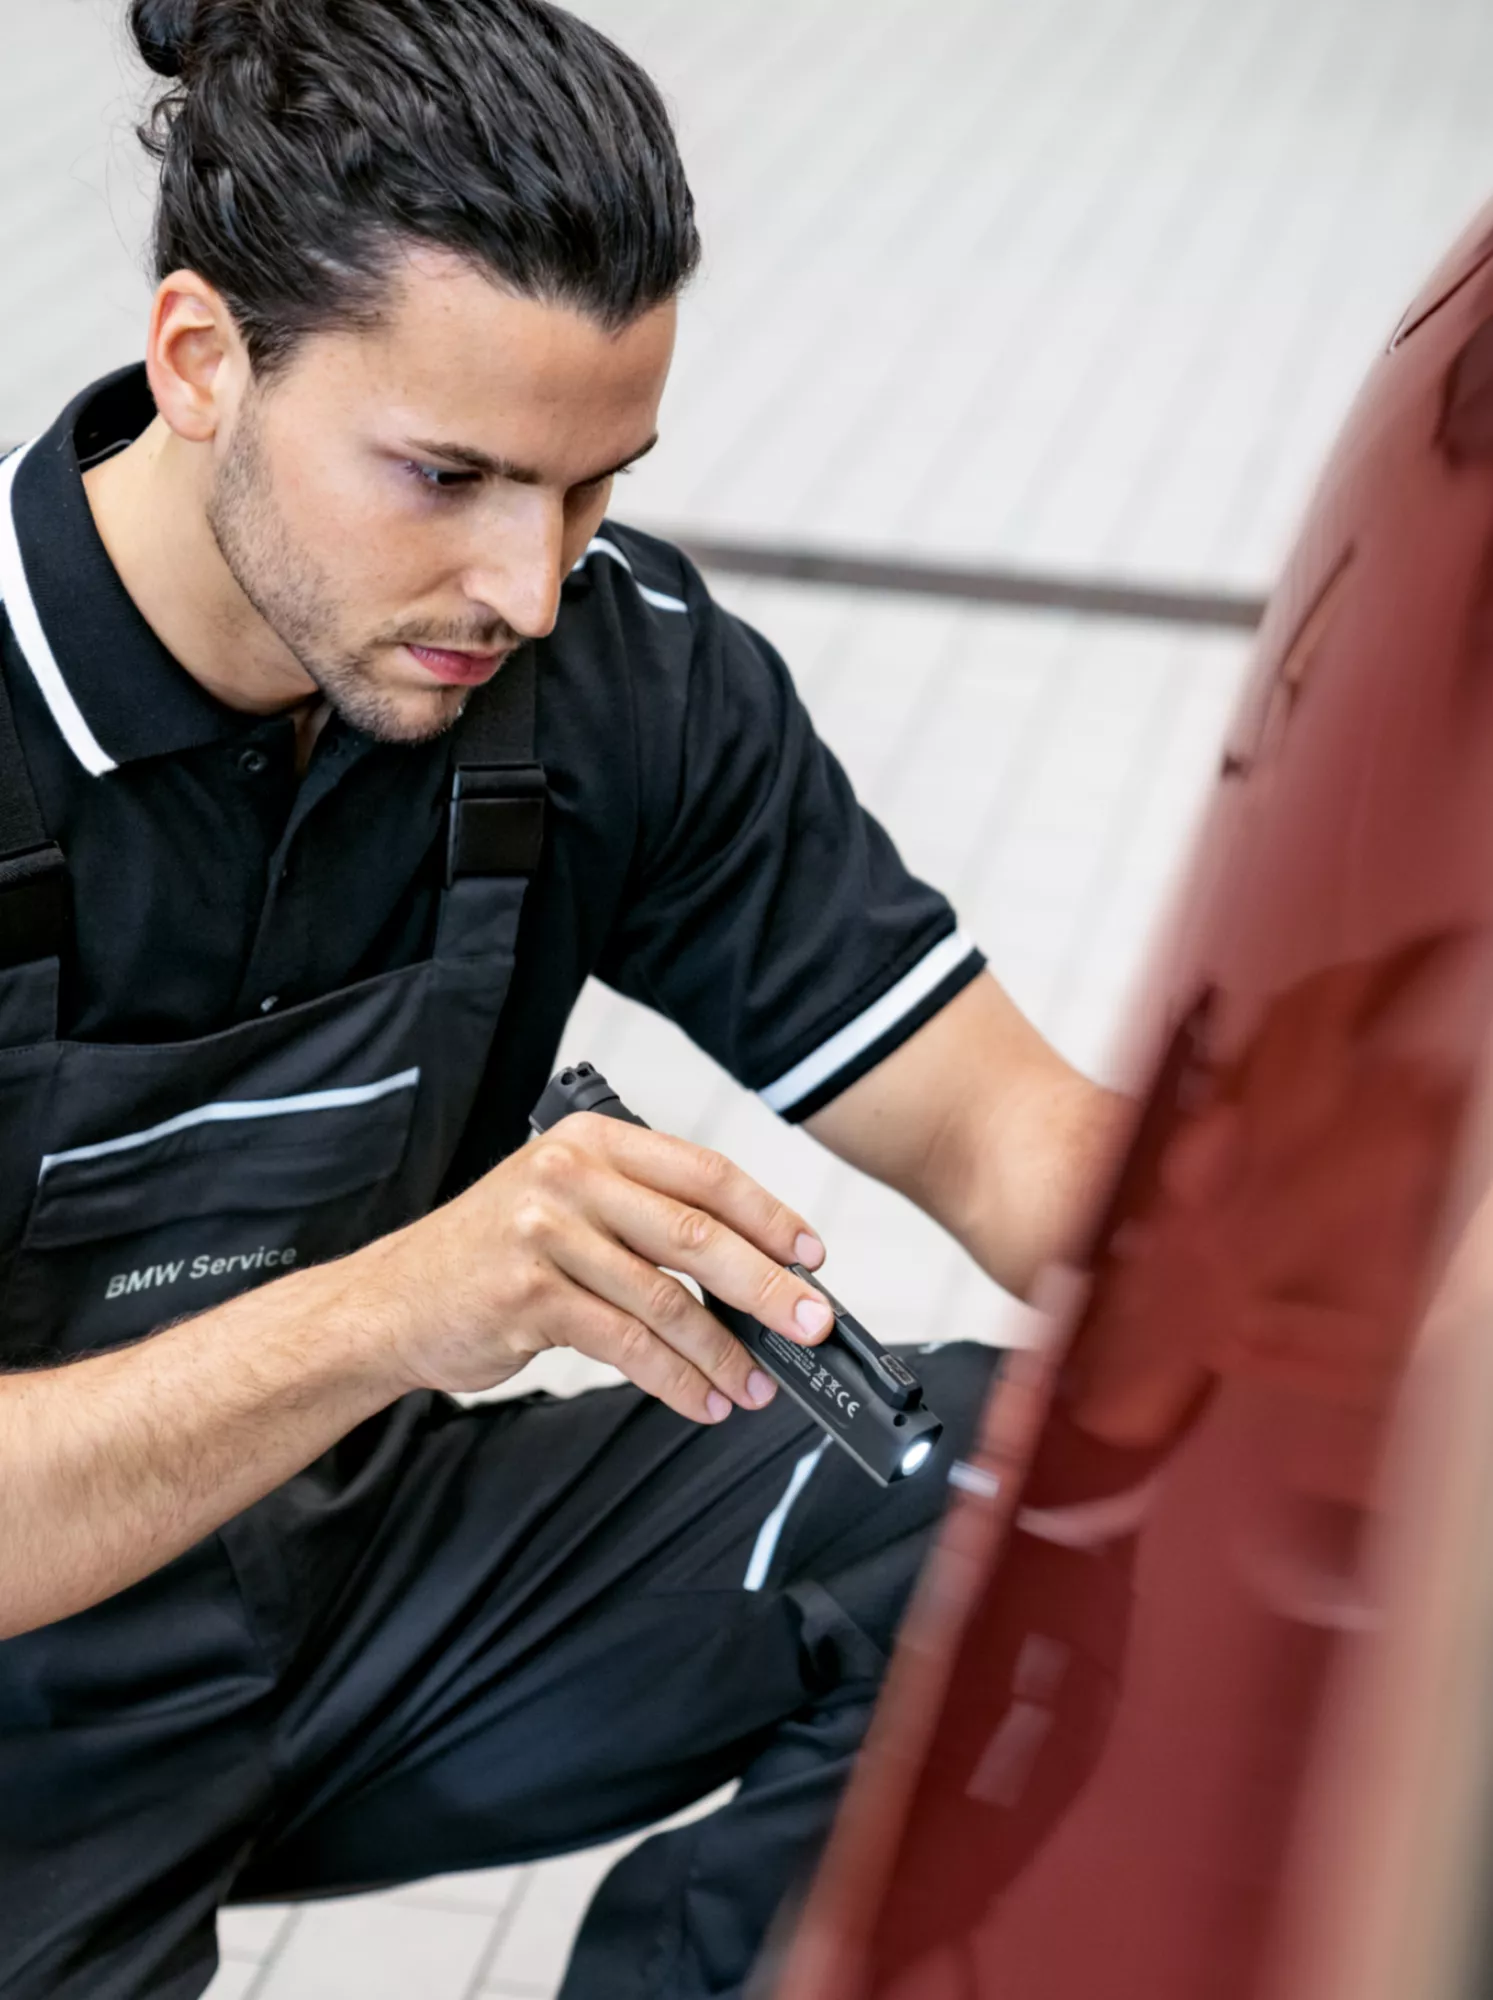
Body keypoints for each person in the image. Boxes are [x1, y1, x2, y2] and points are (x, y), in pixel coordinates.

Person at [0, 3, 1127, 1995]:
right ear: (201, 361)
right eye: (444, 476)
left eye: (593, 483)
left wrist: (1345, 1296)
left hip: (327, 1589)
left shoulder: (606, 677)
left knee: (1045, 1514)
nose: (526, 587)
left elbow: (999, 1128)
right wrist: (403, 1304)